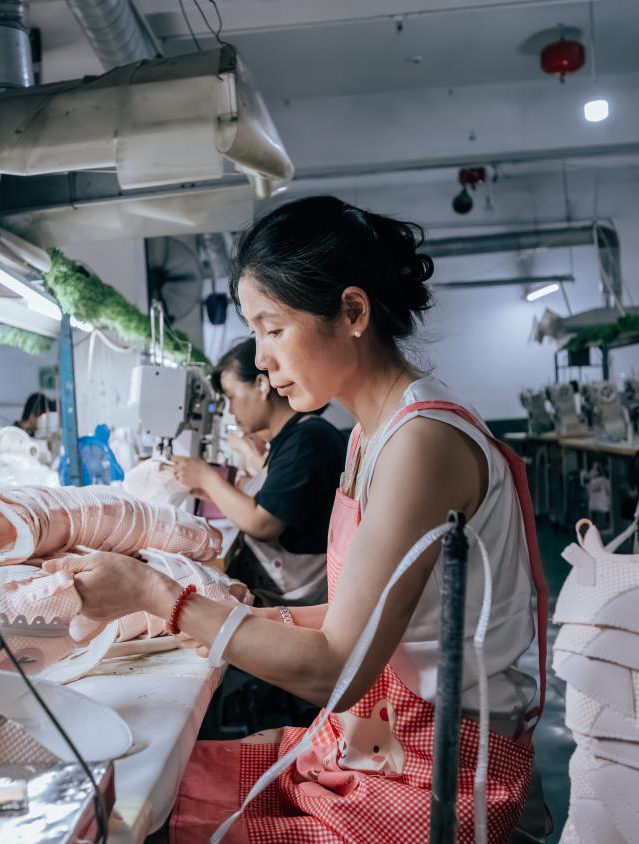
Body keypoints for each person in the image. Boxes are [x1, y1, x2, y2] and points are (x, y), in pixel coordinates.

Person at [44, 196, 547, 842]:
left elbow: (336, 666)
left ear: (353, 312)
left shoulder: (421, 445)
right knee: (161, 788)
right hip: (384, 733)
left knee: (170, 817)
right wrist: (235, 616)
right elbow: (353, 619)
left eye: (272, 327)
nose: (259, 358)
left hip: (436, 770)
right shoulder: (373, 436)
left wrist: (161, 597)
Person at [170, 338, 345, 607]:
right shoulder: (291, 437)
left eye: (231, 397)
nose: (230, 411)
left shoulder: (308, 438)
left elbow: (262, 522)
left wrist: (206, 476)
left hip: (294, 600)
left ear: (262, 385)